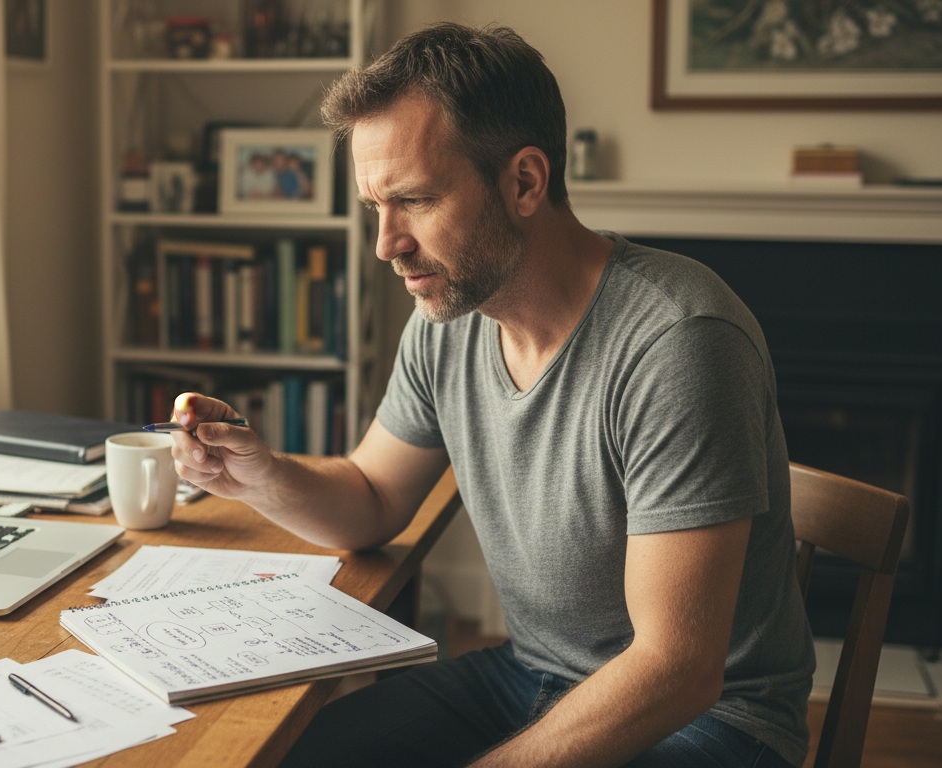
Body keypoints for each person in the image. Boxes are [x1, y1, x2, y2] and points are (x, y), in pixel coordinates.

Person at [169, 22, 814, 768]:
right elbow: (374, 496)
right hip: (532, 676)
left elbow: (678, 669)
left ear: (525, 182)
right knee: (284, 755)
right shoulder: (449, 320)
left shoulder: (678, 340)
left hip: (711, 721)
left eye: (413, 200)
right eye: (375, 206)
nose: (387, 244)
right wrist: (262, 476)